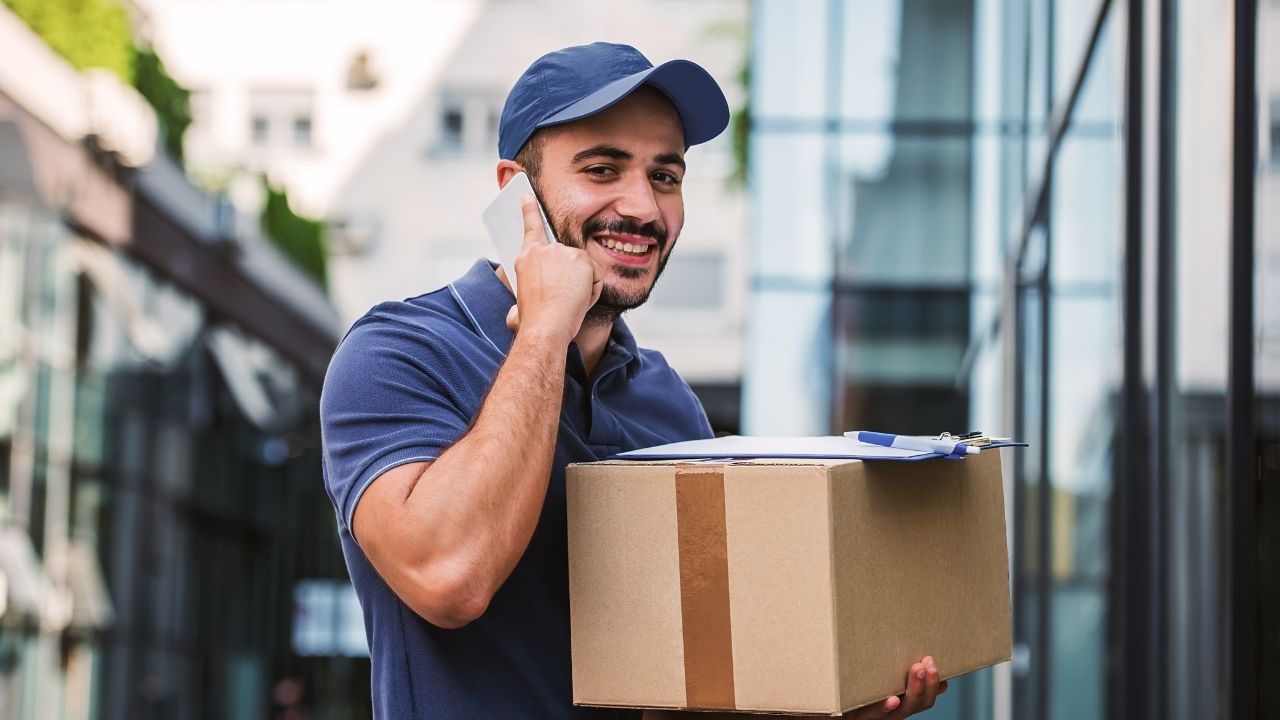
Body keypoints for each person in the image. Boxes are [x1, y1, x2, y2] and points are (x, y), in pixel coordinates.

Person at [320, 42, 946, 719]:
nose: (644, 208)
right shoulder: (398, 354)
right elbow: (450, 579)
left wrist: (824, 705)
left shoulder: (670, 407)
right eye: (602, 169)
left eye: (665, 176)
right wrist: (543, 331)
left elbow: (689, 689)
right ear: (514, 191)